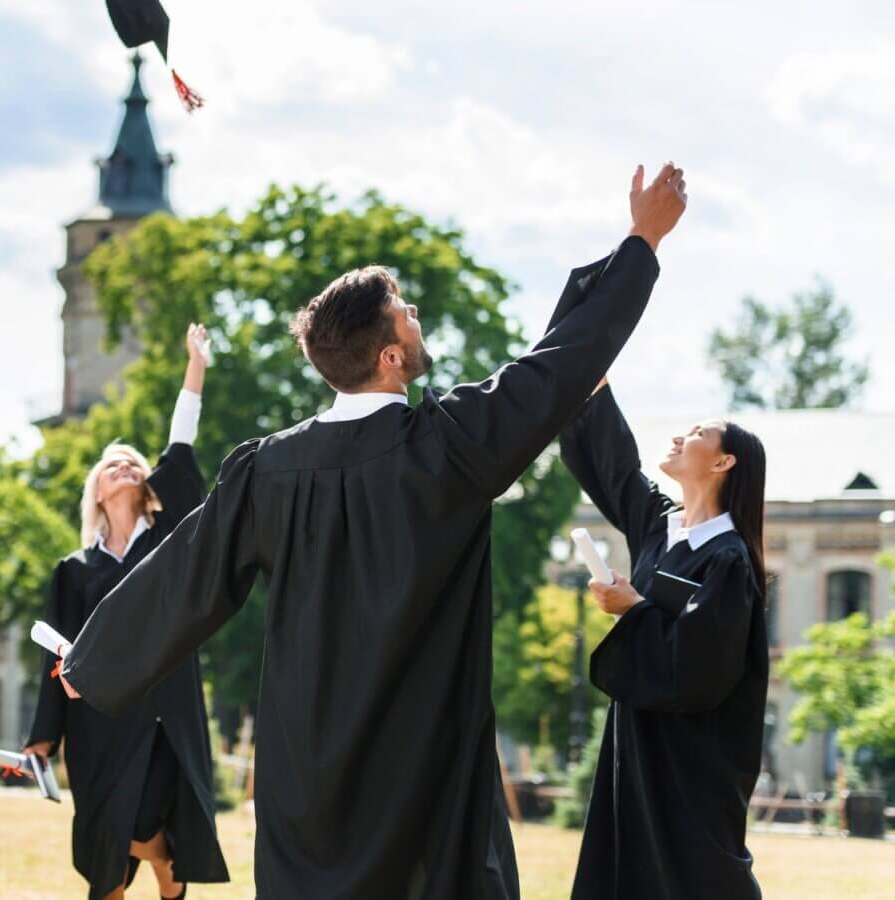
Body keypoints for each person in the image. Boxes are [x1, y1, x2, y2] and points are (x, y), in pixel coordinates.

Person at [57, 163, 689, 899]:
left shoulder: (269, 471)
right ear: (391, 357)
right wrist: (642, 242)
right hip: (424, 774)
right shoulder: (451, 445)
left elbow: (185, 575)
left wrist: (93, 659)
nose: (415, 315)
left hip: (308, 779)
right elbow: (556, 368)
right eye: (406, 312)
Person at [24, 325, 229, 900]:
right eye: (112, 465)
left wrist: (196, 368)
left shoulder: (166, 541)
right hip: (95, 718)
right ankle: (167, 871)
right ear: (95, 490)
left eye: (133, 463)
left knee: (139, 820)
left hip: (162, 709)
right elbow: (53, 650)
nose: (125, 467)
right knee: (103, 854)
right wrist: (45, 734)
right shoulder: (74, 569)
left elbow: (180, 451)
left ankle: (166, 863)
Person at [560, 378, 768, 900]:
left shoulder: (728, 560)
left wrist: (633, 609)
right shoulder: (660, 527)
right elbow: (616, 470)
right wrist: (591, 383)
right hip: (638, 743)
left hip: (691, 762)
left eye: (698, 433)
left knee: (692, 877)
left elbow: (701, 669)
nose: (680, 436)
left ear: (723, 463)